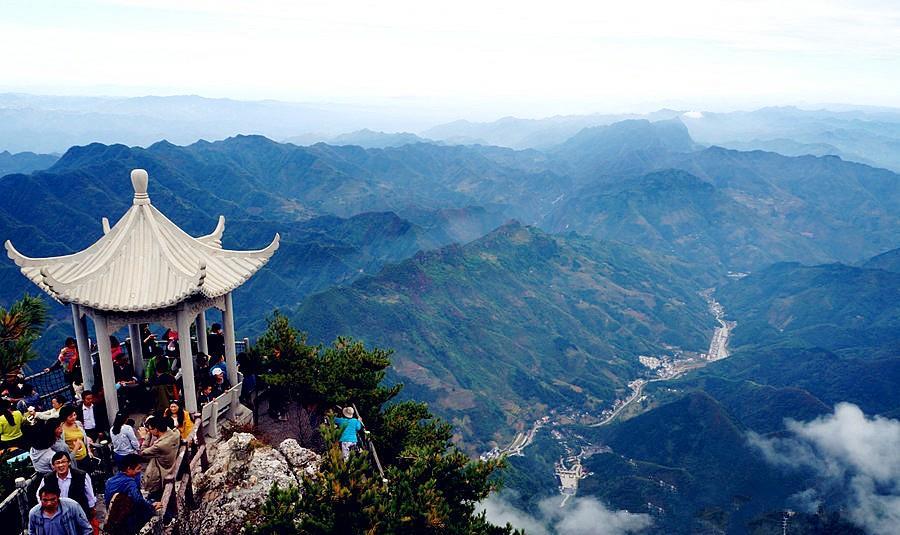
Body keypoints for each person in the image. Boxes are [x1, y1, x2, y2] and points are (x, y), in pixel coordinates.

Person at [36, 452, 97, 533]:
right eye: (57, 463)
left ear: (69, 463)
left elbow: (90, 495)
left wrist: (91, 510)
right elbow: (38, 494)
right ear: (53, 466)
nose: (61, 465)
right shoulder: (47, 478)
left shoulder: (82, 475)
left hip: (78, 513)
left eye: (63, 462)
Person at [104, 454, 162, 535]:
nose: (140, 471)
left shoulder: (110, 481)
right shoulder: (130, 482)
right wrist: (151, 506)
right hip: (125, 521)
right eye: (138, 469)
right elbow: (138, 500)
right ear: (129, 469)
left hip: (112, 517)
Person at [28, 482, 92, 535]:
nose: (49, 503)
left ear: (58, 497)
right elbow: (31, 532)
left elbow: (86, 529)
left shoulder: (72, 506)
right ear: (40, 499)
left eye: (52, 499)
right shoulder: (34, 513)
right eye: (45, 500)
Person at [138, 416, 180, 496]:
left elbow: (142, 452)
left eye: (150, 429)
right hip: (171, 467)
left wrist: (145, 437)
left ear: (156, 429)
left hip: (161, 474)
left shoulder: (160, 445)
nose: (149, 431)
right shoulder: (175, 434)